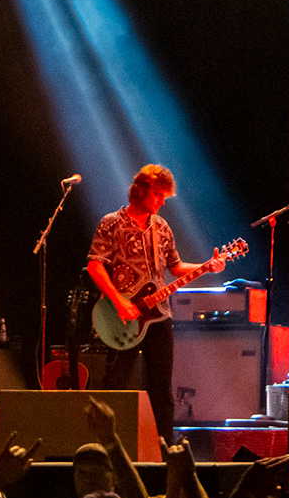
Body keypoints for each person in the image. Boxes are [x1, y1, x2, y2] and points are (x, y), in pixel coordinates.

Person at [88, 164, 226, 445]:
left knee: (161, 389)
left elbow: (175, 267)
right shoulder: (111, 223)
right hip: (121, 316)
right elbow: (95, 265)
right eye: (159, 195)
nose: (163, 202)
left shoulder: (162, 227)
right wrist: (119, 301)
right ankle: (105, 445)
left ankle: (162, 450)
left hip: (159, 317)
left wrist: (207, 267)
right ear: (140, 191)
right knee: (115, 384)